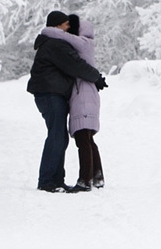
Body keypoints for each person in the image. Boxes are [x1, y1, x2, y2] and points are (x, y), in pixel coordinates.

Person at [26, 10, 107, 193]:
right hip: (50, 93)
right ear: (57, 26)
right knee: (57, 135)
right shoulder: (55, 44)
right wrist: (96, 77)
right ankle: (48, 180)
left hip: (51, 93)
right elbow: (75, 64)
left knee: (59, 135)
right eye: (66, 24)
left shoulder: (53, 43)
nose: (68, 28)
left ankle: (55, 179)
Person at [62, 13, 104, 190]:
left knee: (82, 139)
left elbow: (61, 36)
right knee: (87, 137)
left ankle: (85, 180)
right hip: (85, 94)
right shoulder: (85, 44)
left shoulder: (84, 42)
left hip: (84, 94)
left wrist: (48, 30)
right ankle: (97, 176)